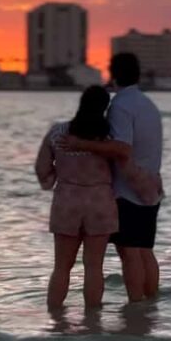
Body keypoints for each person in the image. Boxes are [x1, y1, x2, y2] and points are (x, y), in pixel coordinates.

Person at [59, 53, 163, 303]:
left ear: (113, 73)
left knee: (129, 252)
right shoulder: (147, 104)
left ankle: (136, 308)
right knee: (144, 250)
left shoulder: (120, 106)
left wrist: (80, 143)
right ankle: (150, 309)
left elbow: (122, 148)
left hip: (127, 190)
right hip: (150, 186)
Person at [35, 85, 118, 311]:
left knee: (61, 266)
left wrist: (53, 178)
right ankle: (93, 321)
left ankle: (55, 320)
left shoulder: (57, 132)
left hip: (66, 201)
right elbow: (122, 166)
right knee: (94, 267)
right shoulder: (110, 136)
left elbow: (42, 167)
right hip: (100, 201)